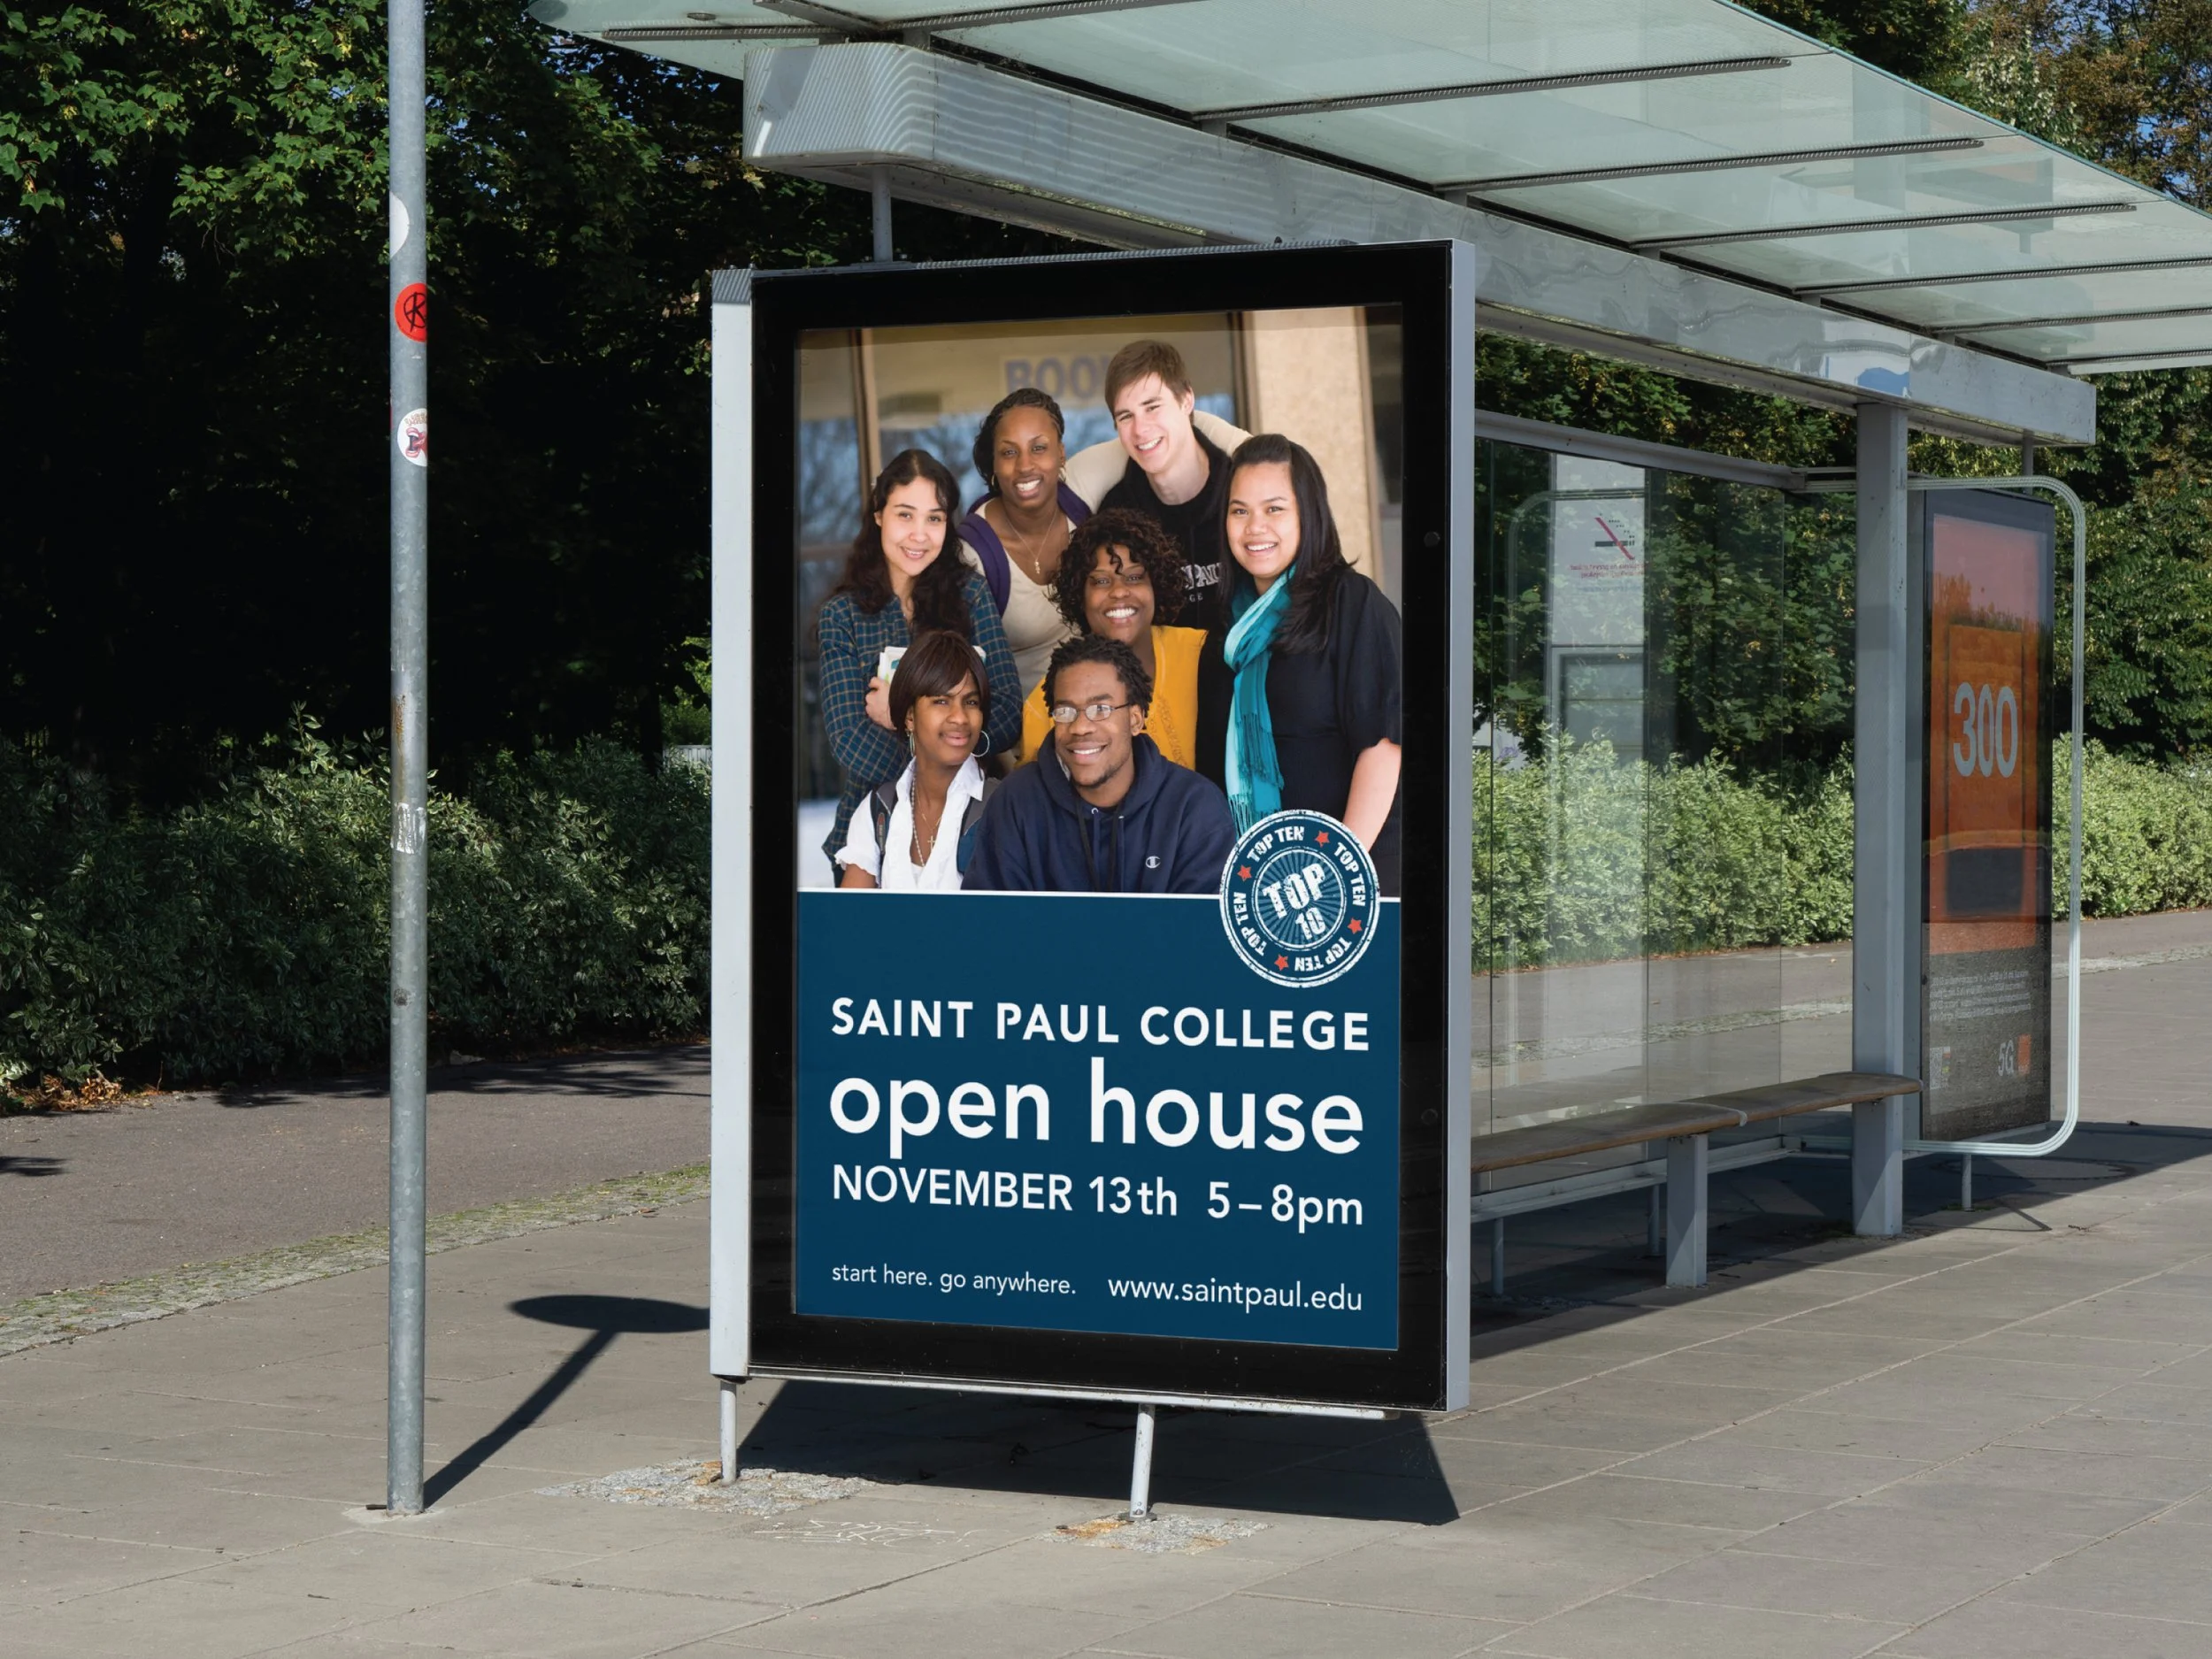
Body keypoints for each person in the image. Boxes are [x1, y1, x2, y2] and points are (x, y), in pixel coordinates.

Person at [1196, 434, 1404, 895]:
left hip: (1352, 875)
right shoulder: (1224, 633)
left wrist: (1336, 870)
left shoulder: (1351, 602)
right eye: (1239, 510)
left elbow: (1383, 745)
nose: (1255, 528)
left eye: (1274, 509)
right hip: (1258, 883)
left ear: (1308, 514)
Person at [817, 449, 1019, 864]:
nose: (919, 534)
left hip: (972, 824)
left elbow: (1008, 713)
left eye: (935, 518)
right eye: (905, 515)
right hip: (871, 826)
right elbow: (848, 741)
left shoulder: (971, 596)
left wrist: (899, 715)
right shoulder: (842, 616)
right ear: (878, 515)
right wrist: (949, 742)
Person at [964, 635, 1234, 895]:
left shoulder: (1194, 808)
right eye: (1065, 711)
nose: (1080, 727)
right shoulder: (1016, 801)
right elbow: (993, 928)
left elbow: (1199, 936)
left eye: (1101, 710)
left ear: (1136, 719)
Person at [1063, 341, 1239, 624]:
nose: (1141, 430)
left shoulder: (1242, 489)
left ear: (1187, 400)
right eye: (1126, 416)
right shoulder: (1117, 516)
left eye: (1152, 407)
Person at [1019, 508, 1205, 768]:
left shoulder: (1202, 655)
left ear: (1156, 586)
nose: (1119, 592)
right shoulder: (1045, 704)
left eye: (1134, 577)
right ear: (1079, 595)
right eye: (1101, 581)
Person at [836, 632, 998, 891]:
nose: (960, 717)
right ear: (910, 716)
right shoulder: (877, 812)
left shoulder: (1005, 809)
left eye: (971, 701)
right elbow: (848, 924)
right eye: (941, 701)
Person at [958, 388, 1090, 702]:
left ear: (1061, 453)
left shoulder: (1085, 493)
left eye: (1039, 447)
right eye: (1009, 452)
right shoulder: (973, 554)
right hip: (1018, 739)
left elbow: (1157, 438)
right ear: (993, 466)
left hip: (1095, 717)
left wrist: (1234, 454)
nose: (1025, 465)